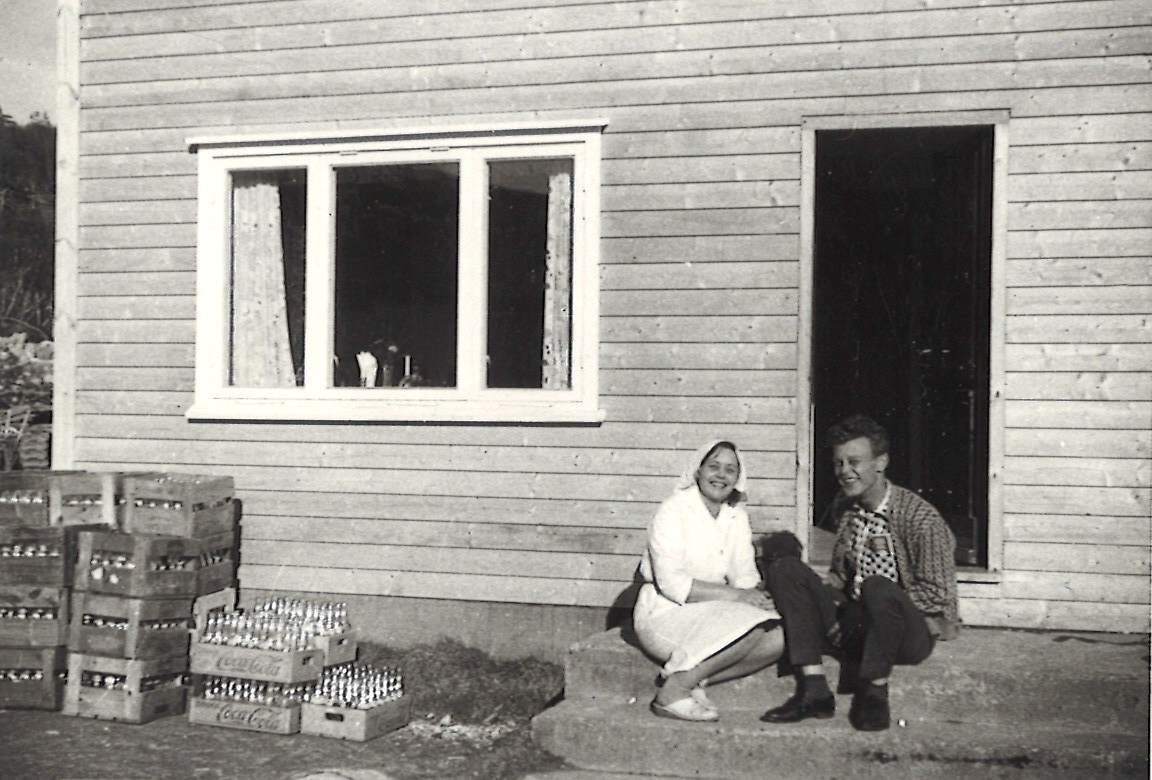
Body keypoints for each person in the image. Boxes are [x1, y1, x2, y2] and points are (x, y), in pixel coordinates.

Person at [760, 415, 959, 731]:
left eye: (854, 462)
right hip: (858, 621)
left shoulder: (921, 519)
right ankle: (814, 691)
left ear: (881, 463)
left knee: (877, 587)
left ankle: (874, 692)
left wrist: (865, 606)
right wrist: (827, 601)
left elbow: (937, 594)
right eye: (839, 463)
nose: (844, 472)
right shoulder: (845, 508)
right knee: (785, 567)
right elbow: (841, 575)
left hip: (907, 632)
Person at [633, 440, 784, 722]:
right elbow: (672, 584)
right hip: (665, 613)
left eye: (730, 470)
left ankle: (694, 679)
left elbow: (745, 575)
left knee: (780, 637)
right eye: (713, 466)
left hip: (714, 609)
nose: (721, 475)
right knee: (750, 629)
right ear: (698, 471)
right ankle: (672, 694)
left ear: (738, 478)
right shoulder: (673, 510)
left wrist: (757, 599)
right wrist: (740, 598)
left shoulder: (735, 515)